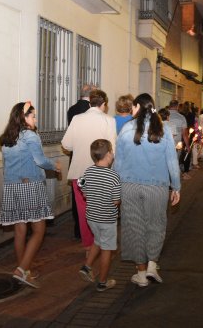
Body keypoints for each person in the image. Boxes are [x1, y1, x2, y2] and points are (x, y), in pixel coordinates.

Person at [114, 93, 181, 287]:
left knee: (135, 227)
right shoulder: (163, 128)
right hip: (157, 187)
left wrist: (115, 190)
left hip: (130, 187)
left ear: (136, 107)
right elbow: (171, 160)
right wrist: (176, 186)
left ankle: (141, 274)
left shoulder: (126, 128)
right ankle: (152, 264)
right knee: (156, 225)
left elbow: (118, 163)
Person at [0, 101, 60, 288]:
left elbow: (6, 165)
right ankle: (22, 269)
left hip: (12, 187)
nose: (36, 119)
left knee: (20, 230)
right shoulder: (30, 136)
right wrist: (55, 166)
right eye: (33, 115)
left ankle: (24, 270)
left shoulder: (7, 138)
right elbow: (40, 160)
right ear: (24, 118)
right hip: (30, 186)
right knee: (39, 230)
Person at [62, 90, 117, 251]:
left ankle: (88, 246)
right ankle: (100, 245)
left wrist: (79, 146)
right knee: (102, 209)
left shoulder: (77, 119)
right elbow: (113, 148)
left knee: (83, 210)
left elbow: (66, 144)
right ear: (104, 104)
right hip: (100, 173)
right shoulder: (108, 120)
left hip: (80, 173)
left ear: (90, 102)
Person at [77, 139, 121, 292]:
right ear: (109, 154)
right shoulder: (113, 176)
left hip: (92, 217)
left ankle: (87, 266)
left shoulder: (88, 171)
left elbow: (84, 192)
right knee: (107, 249)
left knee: (97, 240)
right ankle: (102, 281)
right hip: (107, 219)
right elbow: (116, 201)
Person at [67, 84, 96, 239]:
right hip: (92, 158)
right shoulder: (93, 112)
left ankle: (78, 229)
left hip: (76, 158)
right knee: (92, 197)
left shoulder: (71, 110)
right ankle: (90, 230)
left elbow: (69, 140)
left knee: (77, 196)